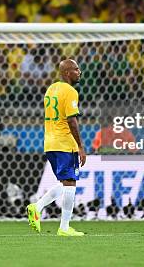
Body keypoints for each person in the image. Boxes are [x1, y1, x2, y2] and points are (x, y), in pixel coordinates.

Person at [26, 59, 86, 236]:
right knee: (70, 183)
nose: (79, 71)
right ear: (67, 73)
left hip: (50, 143)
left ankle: (37, 207)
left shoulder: (51, 89)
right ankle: (64, 228)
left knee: (67, 183)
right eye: (76, 69)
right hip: (65, 143)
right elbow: (71, 121)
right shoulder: (70, 91)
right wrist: (81, 147)